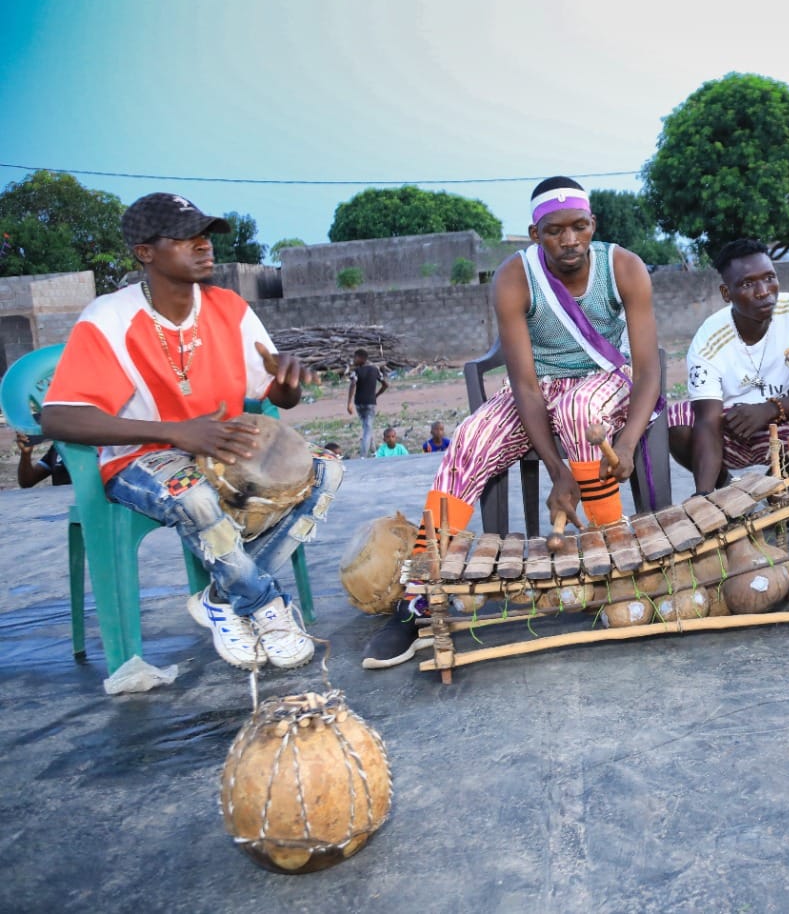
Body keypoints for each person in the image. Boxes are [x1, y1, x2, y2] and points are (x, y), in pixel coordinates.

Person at [362, 175, 661, 668]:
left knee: (579, 410)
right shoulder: (514, 277)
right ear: (533, 233)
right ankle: (419, 592)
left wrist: (626, 444)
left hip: (607, 382)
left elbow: (650, 370)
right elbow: (524, 385)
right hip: (537, 389)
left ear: (593, 224)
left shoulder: (623, 267)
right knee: (469, 439)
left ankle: (617, 559)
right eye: (554, 230)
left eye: (579, 227)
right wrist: (557, 470)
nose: (569, 240)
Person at [39, 193, 342, 669]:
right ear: (145, 252)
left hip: (218, 447)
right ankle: (265, 605)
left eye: (205, 236)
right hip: (138, 457)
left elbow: (277, 396)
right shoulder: (109, 317)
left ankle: (222, 598)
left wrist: (287, 378)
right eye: (186, 238)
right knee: (195, 496)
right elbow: (56, 417)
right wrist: (177, 433)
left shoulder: (229, 309)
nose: (204, 246)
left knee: (325, 471)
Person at [667, 239, 789, 492]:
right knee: (678, 421)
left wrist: (768, 410)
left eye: (769, 277)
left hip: (782, 421)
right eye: (748, 284)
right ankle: (723, 487)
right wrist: (703, 499)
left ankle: (776, 486)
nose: (763, 291)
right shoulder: (707, 341)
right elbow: (707, 421)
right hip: (728, 429)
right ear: (727, 293)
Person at [346, 349, 388, 457]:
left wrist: (349, 402)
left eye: (355, 357)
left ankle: (364, 456)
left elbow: (352, 384)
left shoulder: (356, 372)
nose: (354, 360)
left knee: (367, 428)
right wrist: (376, 395)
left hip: (359, 403)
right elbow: (385, 385)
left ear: (361, 358)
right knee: (368, 427)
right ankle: (373, 453)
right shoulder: (375, 370)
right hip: (370, 403)